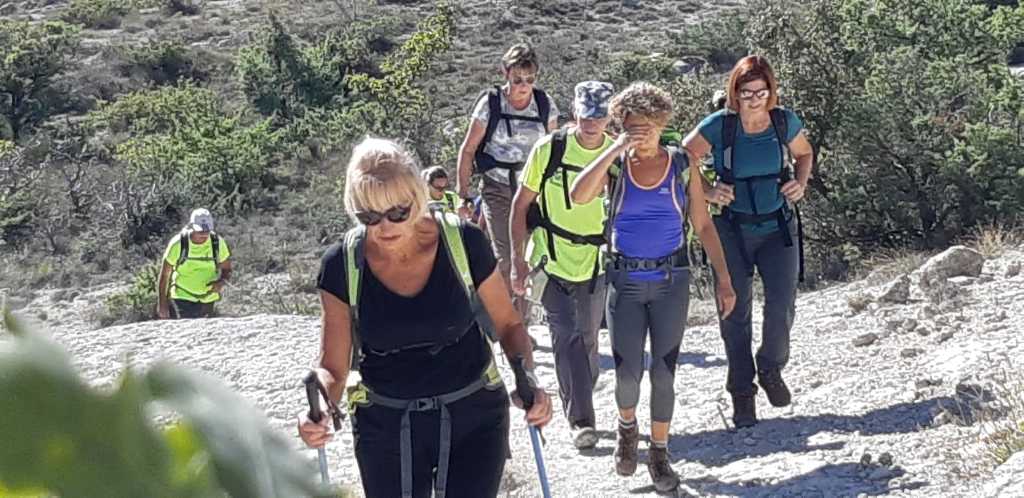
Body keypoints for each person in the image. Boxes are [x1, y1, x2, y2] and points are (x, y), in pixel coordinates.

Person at [297, 138, 552, 498]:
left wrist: (528, 378)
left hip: (473, 414)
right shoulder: (341, 265)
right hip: (386, 423)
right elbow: (333, 368)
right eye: (368, 216)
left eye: (397, 212)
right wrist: (321, 405)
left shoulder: (463, 242)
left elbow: (509, 324)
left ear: (416, 199)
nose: (384, 226)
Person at [571, 82, 736, 493]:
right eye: (632, 126)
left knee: (664, 375)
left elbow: (702, 223)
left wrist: (724, 279)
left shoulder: (681, 163)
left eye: (648, 125)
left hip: (670, 281)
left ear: (662, 124)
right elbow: (579, 196)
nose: (641, 133)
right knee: (627, 376)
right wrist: (614, 148)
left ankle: (659, 453)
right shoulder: (615, 165)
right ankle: (627, 428)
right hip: (625, 281)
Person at [682, 55, 814, 428]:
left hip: (777, 226)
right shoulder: (720, 126)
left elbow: (804, 153)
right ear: (734, 93)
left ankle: (770, 367)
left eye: (761, 92)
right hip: (732, 230)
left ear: (771, 91)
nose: (755, 99)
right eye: (746, 92)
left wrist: (800, 183)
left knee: (782, 304)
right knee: (733, 310)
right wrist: (706, 191)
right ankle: (742, 392)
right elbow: (683, 156)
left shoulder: (783, 121)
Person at [509, 81, 615, 451]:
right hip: (551, 259)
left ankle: (581, 394)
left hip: (595, 262)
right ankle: (581, 420)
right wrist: (518, 265)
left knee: (587, 339)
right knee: (566, 336)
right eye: (586, 116)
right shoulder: (550, 149)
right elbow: (520, 206)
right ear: (575, 114)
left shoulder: (616, 155)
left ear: (608, 118)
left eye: (599, 117)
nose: (591, 123)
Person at [455, 42, 559, 321]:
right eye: (517, 80)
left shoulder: (544, 104)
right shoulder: (490, 104)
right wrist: (462, 195)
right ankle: (506, 323)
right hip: (497, 188)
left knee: (529, 256)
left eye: (529, 79)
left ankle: (519, 321)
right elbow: (467, 150)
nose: (523, 86)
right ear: (505, 73)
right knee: (506, 257)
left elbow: (555, 148)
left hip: (533, 191)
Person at [156, 208, 231, 319]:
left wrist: (221, 282)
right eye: (200, 231)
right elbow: (165, 275)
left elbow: (227, 269)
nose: (204, 235)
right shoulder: (178, 244)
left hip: (208, 298)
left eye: (207, 231)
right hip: (182, 296)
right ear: (192, 227)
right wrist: (162, 303)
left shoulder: (217, 243)